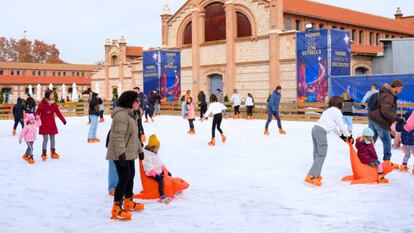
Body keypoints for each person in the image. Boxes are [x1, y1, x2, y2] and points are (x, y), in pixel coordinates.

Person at [106, 91, 144, 220]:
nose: (139, 103)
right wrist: (121, 153)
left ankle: (128, 201)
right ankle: (116, 207)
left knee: (130, 175)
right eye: (136, 100)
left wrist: (140, 150)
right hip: (120, 152)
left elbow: (134, 136)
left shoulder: (131, 115)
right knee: (124, 178)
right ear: (129, 102)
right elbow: (118, 137)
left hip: (129, 152)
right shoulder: (121, 115)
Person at [305, 96, 351, 186]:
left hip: (315, 129)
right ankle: (312, 176)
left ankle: (315, 174)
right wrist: (349, 136)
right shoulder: (337, 111)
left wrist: (341, 136)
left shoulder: (328, 110)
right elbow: (341, 125)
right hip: (321, 131)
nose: (344, 104)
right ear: (339, 103)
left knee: (317, 153)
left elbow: (333, 126)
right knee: (322, 154)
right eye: (343, 102)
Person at [368, 80, 404, 169]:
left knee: (371, 139)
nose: (400, 91)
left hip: (373, 117)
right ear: (397, 87)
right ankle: (387, 161)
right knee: (387, 141)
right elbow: (385, 111)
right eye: (401, 89)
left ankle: (366, 158)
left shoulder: (385, 93)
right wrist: (396, 118)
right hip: (380, 120)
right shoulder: (389, 95)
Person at [36, 90, 67, 161]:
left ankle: (53, 153)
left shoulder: (54, 104)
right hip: (44, 124)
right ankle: (44, 153)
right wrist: (37, 117)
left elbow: (58, 113)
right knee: (45, 139)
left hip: (52, 123)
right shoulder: (42, 103)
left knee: (53, 138)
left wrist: (63, 120)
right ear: (48, 95)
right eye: (52, 94)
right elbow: (37, 112)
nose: (53, 95)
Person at [142, 135, 173, 204]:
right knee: (160, 180)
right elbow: (147, 165)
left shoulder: (154, 153)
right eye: (157, 148)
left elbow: (159, 162)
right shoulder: (147, 155)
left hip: (158, 170)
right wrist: (153, 172)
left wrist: (164, 168)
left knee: (168, 175)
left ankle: (170, 189)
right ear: (153, 147)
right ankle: (162, 196)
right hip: (151, 173)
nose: (158, 149)